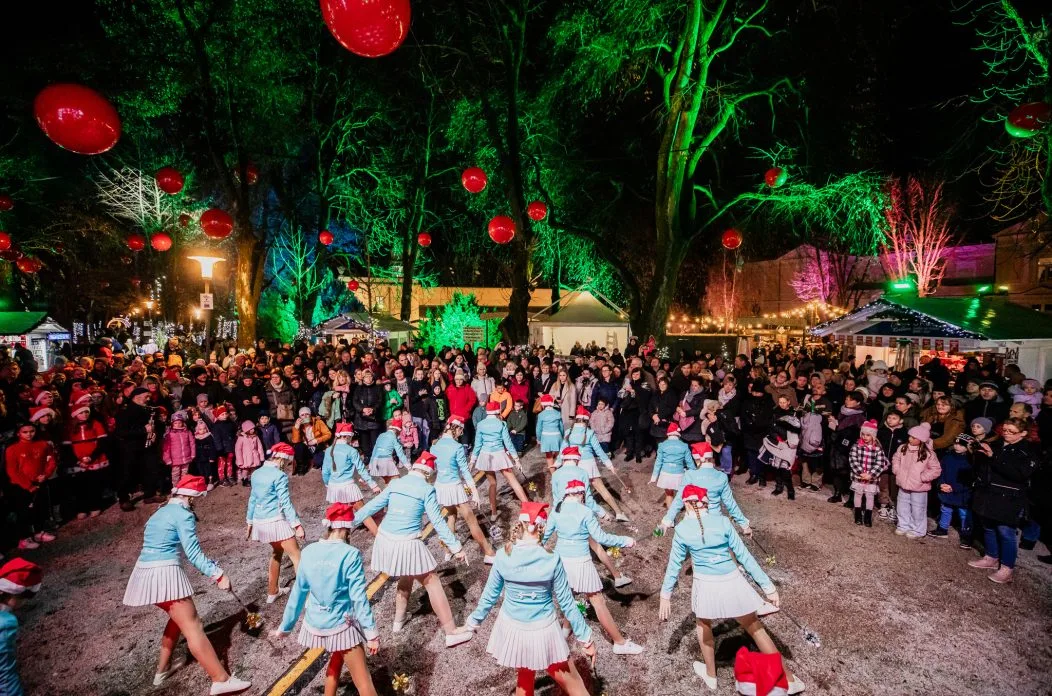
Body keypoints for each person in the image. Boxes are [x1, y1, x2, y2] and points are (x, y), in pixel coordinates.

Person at [657, 485, 802, 694]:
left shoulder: (681, 529)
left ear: (686, 504)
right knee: (754, 626)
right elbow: (745, 557)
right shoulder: (723, 522)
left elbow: (674, 565)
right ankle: (789, 679)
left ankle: (711, 675)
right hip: (732, 580)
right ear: (706, 503)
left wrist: (665, 594)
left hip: (705, 584)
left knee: (703, 623)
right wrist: (768, 587)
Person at [122, 475, 251, 695]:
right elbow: (193, 554)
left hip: (144, 573)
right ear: (191, 497)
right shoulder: (183, 515)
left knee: (177, 619)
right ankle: (220, 680)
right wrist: (219, 575)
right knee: (194, 626)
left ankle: (162, 670)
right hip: (164, 573)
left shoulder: (160, 511)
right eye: (197, 499)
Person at [463, 501, 596, 696]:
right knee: (573, 683)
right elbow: (567, 603)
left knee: (525, 677)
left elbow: (490, 595)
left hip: (513, 627)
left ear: (520, 525)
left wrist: (472, 623)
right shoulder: (552, 558)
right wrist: (586, 639)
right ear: (542, 527)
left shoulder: (502, 556)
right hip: (543, 629)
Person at [351, 452, 474, 647]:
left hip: (385, 538)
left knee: (406, 575)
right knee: (432, 581)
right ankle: (451, 632)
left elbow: (370, 507)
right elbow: (437, 522)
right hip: (407, 542)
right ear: (428, 473)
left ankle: (398, 622)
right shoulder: (427, 489)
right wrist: (456, 547)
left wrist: (344, 525)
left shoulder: (395, 483)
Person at [273, 503, 380, 696]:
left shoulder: (308, 551)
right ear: (347, 528)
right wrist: (371, 633)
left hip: (316, 622)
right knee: (364, 682)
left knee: (336, 660)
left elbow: (298, 592)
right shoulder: (351, 554)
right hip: (341, 624)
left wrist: (285, 626)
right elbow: (358, 598)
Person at [542, 480, 642, 655]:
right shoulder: (585, 512)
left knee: (569, 596)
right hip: (580, 562)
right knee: (598, 602)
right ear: (581, 494)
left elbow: (544, 536)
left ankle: (565, 630)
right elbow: (602, 538)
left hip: (560, 561)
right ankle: (619, 642)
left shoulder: (557, 509)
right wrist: (625, 541)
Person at [968, 417, 1039, 583]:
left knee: (1005, 531)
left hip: (1009, 496)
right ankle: (991, 557)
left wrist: (993, 457)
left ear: (1023, 433)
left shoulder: (1028, 451)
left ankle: (1007, 567)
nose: (1006, 434)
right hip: (988, 492)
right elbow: (984, 466)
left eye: (1011, 432)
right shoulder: (997, 444)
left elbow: (1019, 474)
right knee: (988, 526)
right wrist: (976, 453)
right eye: (1004, 430)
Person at [246, 442, 305, 604]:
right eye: (287, 462)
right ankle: (306, 597)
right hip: (275, 521)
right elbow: (285, 502)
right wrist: (297, 525)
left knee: (277, 552)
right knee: (297, 556)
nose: (286, 466)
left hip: (260, 521)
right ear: (282, 459)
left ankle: (273, 591)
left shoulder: (256, 473)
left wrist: (249, 521)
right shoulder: (279, 476)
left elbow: (252, 499)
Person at [431, 415, 495, 563]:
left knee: (451, 516)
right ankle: (489, 553)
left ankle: (448, 551)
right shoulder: (457, 447)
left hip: (440, 486)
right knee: (471, 520)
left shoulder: (435, 445)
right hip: (454, 487)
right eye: (461, 430)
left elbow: (434, 468)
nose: (461, 434)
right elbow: (465, 471)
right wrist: (474, 492)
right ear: (456, 428)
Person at [658, 443, 751, 537]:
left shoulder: (689, 475)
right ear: (711, 458)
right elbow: (730, 503)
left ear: (696, 459)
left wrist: (665, 522)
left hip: (693, 521)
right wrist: (744, 525)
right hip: (715, 522)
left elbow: (678, 500)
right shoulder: (721, 476)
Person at [562, 406, 629, 521]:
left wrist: (558, 464)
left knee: (576, 491)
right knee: (601, 489)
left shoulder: (569, 432)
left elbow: (563, 450)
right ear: (587, 420)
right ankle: (619, 513)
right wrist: (610, 465)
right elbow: (599, 451)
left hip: (574, 464)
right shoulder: (589, 432)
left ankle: (577, 515)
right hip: (589, 465)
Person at [471, 401, 529, 523]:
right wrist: (516, 459)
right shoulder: (501, 424)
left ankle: (493, 513)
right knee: (513, 481)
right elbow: (508, 443)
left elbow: (478, 444)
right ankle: (528, 508)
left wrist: (472, 460)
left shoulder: (480, 425)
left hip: (486, 456)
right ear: (498, 411)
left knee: (492, 483)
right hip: (499, 455)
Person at [5, 422, 57, 549]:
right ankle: (24, 539)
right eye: (25, 432)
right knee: (24, 511)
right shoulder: (12, 449)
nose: (29, 434)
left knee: (40, 508)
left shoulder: (43, 444)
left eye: (32, 431)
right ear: (18, 433)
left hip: (40, 481)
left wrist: (45, 475)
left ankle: (39, 532)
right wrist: (28, 486)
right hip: (21, 485)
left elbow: (51, 460)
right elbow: (12, 471)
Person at [323, 423, 380, 536]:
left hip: (333, 486)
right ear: (348, 436)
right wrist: (373, 485)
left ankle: (336, 538)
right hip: (348, 485)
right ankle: (379, 536)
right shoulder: (351, 451)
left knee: (339, 515)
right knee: (363, 512)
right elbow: (361, 470)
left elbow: (325, 471)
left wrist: (327, 485)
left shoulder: (329, 450)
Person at [892, 423, 942, 540]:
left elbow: (936, 469)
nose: (910, 439)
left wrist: (922, 477)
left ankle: (917, 529)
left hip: (919, 486)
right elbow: (896, 458)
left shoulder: (928, 453)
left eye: (914, 438)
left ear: (921, 440)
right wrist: (897, 470)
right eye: (910, 436)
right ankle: (903, 525)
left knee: (918, 509)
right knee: (902, 506)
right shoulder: (903, 448)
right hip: (903, 483)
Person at [930, 434, 974, 544]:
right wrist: (941, 484)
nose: (957, 446)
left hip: (962, 491)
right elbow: (941, 471)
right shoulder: (948, 456)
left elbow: (969, 479)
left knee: (963, 513)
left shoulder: (970, 460)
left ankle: (966, 534)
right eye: (955, 443)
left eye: (961, 445)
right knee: (945, 508)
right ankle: (943, 528)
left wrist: (954, 488)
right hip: (946, 487)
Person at [848, 420, 889, 528]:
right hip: (859, 476)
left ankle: (868, 516)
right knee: (858, 494)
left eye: (868, 435)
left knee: (869, 496)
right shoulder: (856, 446)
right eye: (863, 434)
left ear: (873, 436)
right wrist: (861, 472)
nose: (865, 437)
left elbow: (880, 463)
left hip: (871, 478)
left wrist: (871, 474)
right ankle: (858, 515)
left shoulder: (878, 449)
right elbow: (853, 460)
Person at [651, 422, 693, 508]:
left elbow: (658, 462)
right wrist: (695, 475)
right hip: (679, 473)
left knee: (669, 493)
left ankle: (670, 512)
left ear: (668, 434)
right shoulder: (684, 446)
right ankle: (680, 507)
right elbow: (690, 463)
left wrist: (654, 477)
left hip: (665, 473)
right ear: (678, 434)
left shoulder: (662, 445)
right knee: (680, 492)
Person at [162, 411, 196, 490]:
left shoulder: (187, 432)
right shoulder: (169, 434)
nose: (178, 424)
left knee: (185, 473)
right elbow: (166, 448)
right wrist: (167, 459)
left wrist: (193, 454)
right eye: (175, 423)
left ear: (183, 423)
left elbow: (192, 443)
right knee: (175, 474)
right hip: (175, 460)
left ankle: (183, 487)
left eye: (180, 423)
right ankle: (175, 487)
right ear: (172, 424)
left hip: (186, 457)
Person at [369, 419, 409, 483]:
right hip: (386, 461)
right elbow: (400, 453)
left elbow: (374, 450)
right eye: (400, 432)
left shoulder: (381, 435)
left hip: (376, 460)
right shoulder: (393, 437)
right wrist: (408, 466)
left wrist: (371, 463)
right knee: (397, 482)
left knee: (388, 482)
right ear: (397, 430)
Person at [535, 394, 564, 472]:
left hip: (546, 437)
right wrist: (562, 436)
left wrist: (538, 439)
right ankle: (559, 469)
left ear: (543, 404)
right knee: (558, 453)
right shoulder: (558, 413)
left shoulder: (541, 415)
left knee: (549, 455)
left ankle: (553, 474)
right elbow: (561, 427)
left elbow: (538, 429)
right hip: (557, 435)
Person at [234, 420, 265, 486]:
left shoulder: (256, 437)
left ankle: (252, 479)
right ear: (246, 430)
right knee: (246, 470)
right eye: (250, 429)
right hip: (246, 458)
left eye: (253, 428)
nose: (253, 430)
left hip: (255, 457)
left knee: (253, 469)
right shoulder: (241, 438)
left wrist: (261, 457)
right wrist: (239, 460)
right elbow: (238, 450)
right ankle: (244, 480)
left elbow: (259, 447)